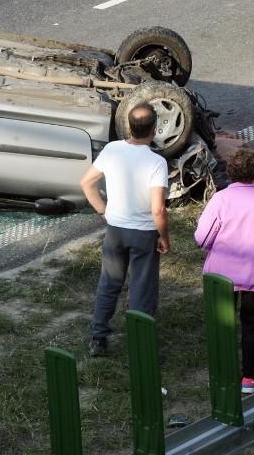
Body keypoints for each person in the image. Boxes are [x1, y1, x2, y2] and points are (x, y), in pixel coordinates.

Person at [79, 102, 169, 357]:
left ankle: (98, 337)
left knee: (109, 283)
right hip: (143, 233)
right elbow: (158, 210)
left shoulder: (112, 150)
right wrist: (164, 236)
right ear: (154, 130)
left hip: (115, 230)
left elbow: (86, 182)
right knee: (142, 287)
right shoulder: (156, 162)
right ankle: (141, 344)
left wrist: (103, 210)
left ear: (128, 127)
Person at [194, 148, 254, 393]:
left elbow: (202, 239)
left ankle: (223, 373)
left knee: (222, 324)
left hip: (221, 276)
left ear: (230, 173)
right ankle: (249, 377)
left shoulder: (220, 200)